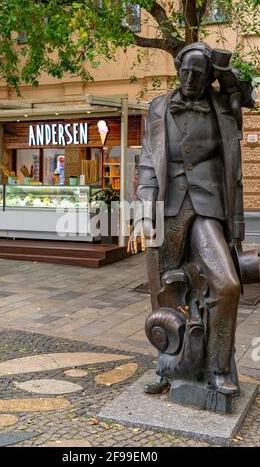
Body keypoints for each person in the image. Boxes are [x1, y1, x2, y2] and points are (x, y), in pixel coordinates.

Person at [133, 42, 252, 396]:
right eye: (184, 72)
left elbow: (245, 92)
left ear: (208, 78)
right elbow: (148, 165)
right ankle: (168, 368)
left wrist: (223, 70)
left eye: (198, 74)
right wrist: (142, 215)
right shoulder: (159, 107)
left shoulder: (223, 107)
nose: (189, 80)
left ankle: (218, 368)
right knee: (164, 294)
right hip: (166, 211)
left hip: (208, 209)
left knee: (226, 285)